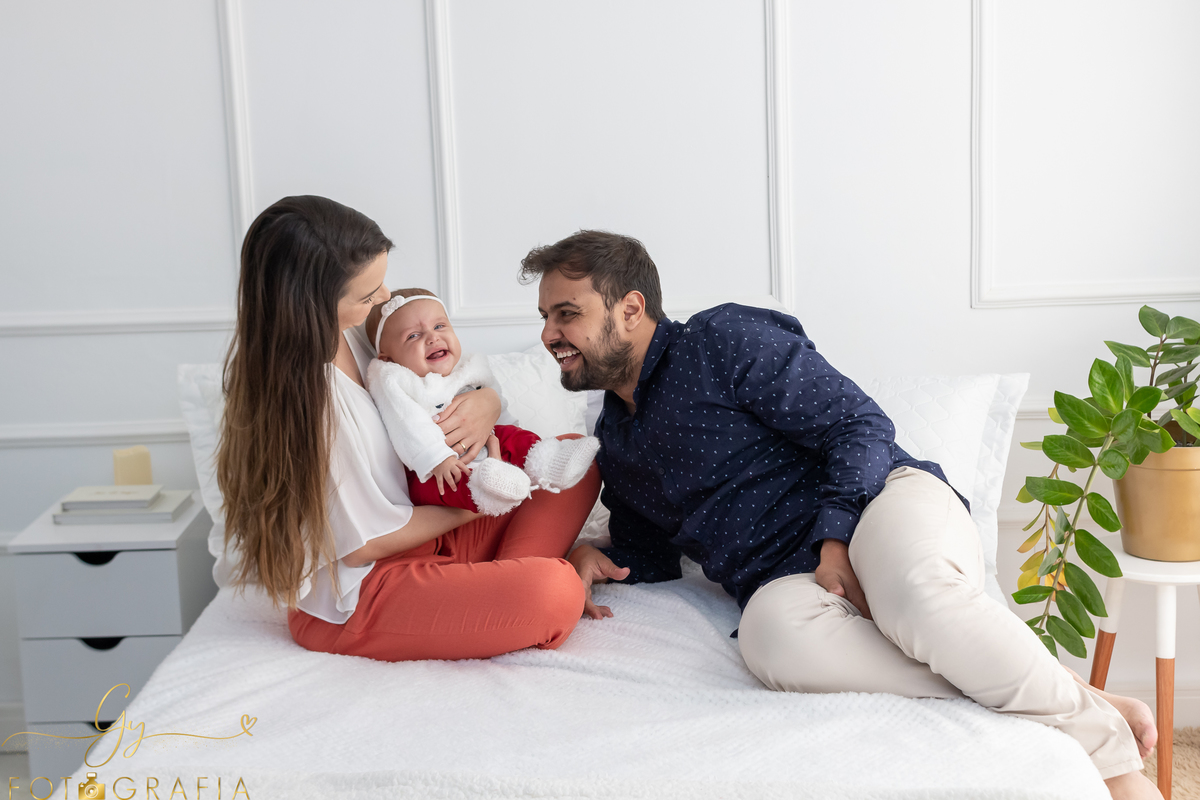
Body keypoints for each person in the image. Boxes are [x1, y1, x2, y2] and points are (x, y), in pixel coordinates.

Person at [520, 229, 1162, 800]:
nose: (549, 335)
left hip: (882, 503)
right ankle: (1072, 693)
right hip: (787, 584)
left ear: (631, 309)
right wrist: (586, 551)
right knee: (773, 645)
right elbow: (651, 553)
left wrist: (835, 541)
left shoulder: (720, 340)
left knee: (918, 599)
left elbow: (859, 426)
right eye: (547, 317)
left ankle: (1113, 764)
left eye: (567, 314)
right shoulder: (619, 442)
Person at [215, 195, 599, 662]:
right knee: (554, 590)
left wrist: (486, 402)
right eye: (367, 294)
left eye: (381, 284)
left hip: (434, 529)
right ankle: (519, 588)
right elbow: (364, 546)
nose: (383, 299)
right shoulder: (306, 400)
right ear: (312, 300)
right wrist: (485, 502)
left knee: (574, 456)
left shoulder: (351, 336)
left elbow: (443, 378)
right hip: (365, 590)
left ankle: (497, 587)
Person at [363, 287, 600, 516]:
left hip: (487, 444)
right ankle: (488, 492)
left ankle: (546, 461)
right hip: (435, 465)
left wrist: (513, 434)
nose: (432, 337)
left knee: (513, 437)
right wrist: (437, 459)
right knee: (446, 483)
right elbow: (406, 424)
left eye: (439, 326)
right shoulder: (395, 380)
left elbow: (499, 409)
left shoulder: (469, 367)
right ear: (388, 358)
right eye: (413, 335)